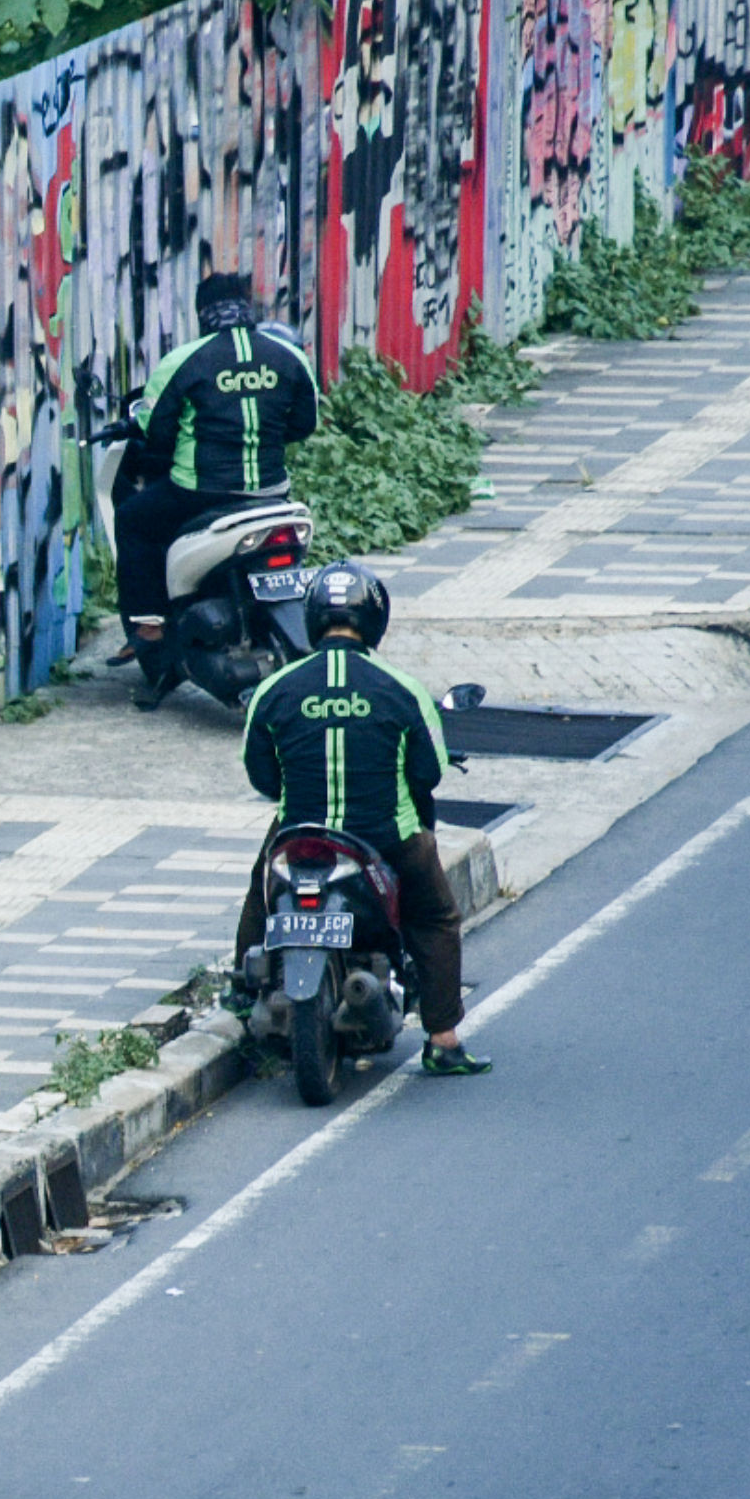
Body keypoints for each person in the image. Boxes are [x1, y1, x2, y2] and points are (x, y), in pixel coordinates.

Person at [234, 560, 492, 1076]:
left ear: (311, 619)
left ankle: (242, 997)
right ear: (374, 621)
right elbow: (428, 773)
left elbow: (261, 777)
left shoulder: (274, 689)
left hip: (299, 833)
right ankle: (443, 1039)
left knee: (260, 894)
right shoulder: (400, 688)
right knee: (435, 917)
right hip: (385, 836)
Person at [114, 271, 321, 706]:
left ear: (202, 312)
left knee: (134, 519)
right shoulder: (288, 357)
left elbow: (157, 433)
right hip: (270, 493)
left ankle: (149, 623)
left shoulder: (186, 360)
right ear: (248, 308)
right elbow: (304, 424)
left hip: (201, 493)